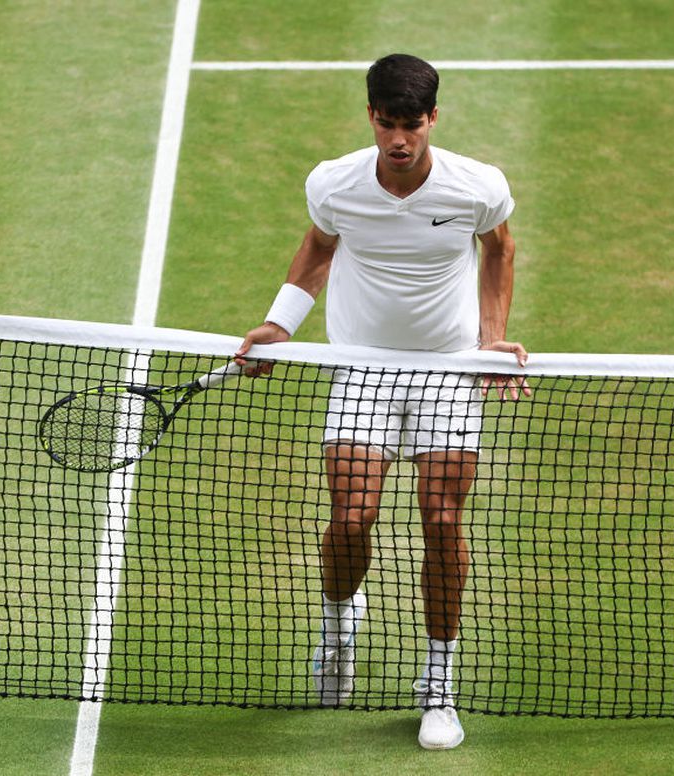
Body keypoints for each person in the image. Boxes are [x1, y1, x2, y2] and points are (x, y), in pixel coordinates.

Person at [235, 53, 529, 750]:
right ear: (371, 116)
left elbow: (500, 251)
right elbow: (319, 244)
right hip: (361, 367)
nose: (400, 140)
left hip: (447, 371)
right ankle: (340, 626)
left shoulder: (477, 186)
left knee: (441, 520)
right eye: (388, 124)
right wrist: (280, 324)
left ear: (433, 119)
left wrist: (492, 338)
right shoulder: (334, 184)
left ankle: (439, 685)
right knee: (352, 515)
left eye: (413, 125)